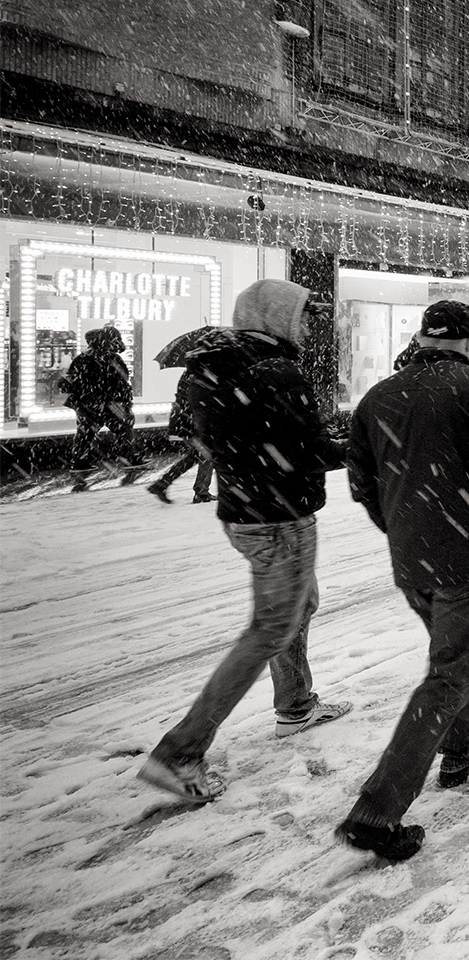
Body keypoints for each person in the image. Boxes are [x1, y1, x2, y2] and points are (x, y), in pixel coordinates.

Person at [137, 280, 348, 804]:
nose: (304, 325)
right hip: (281, 518)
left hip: (244, 512)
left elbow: (208, 434)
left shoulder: (212, 367)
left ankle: (296, 704)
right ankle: (180, 751)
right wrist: (363, 445)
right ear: (276, 316)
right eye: (300, 315)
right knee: (268, 631)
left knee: (300, 606)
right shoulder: (276, 370)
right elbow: (310, 450)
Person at [339, 299, 469, 862]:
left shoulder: (379, 396)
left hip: (411, 556)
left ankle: (463, 746)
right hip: (468, 556)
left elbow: (362, 482)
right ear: (468, 338)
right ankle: (378, 810)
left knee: (448, 654)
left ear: (423, 337)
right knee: (447, 673)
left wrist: (401, 527)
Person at [61, 324, 137, 490]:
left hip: (88, 404)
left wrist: (84, 396)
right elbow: (122, 383)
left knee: (84, 434)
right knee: (124, 428)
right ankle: (131, 459)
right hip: (109, 404)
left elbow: (67, 383)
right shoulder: (111, 358)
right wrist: (124, 402)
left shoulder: (82, 358)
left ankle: (80, 464)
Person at [147, 364, 214, 504]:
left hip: (186, 422)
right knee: (207, 454)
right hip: (192, 423)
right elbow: (199, 400)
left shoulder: (192, 373)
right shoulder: (199, 376)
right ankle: (201, 492)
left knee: (195, 457)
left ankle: (162, 484)